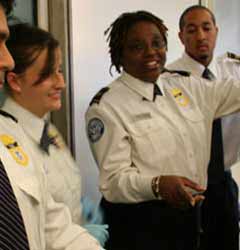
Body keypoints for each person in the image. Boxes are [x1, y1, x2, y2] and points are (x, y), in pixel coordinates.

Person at [85, 10, 240, 250]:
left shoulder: (185, 86)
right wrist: (156, 185)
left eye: (157, 43)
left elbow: (234, 91)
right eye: (137, 46)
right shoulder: (106, 107)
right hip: (142, 224)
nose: (151, 52)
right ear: (120, 54)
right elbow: (113, 183)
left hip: (190, 218)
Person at [0, 1, 105, 250]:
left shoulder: (18, 133)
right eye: (49, 73)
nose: (8, 61)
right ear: (15, 82)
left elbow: (53, 225)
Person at [167, 5, 239, 250]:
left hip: (225, 185)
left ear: (216, 31)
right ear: (181, 36)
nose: (200, 36)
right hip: (188, 188)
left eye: (206, 28)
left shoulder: (232, 71)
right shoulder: (168, 79)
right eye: (192, 29)